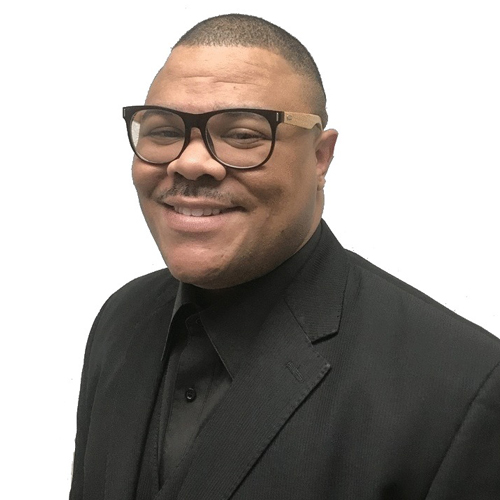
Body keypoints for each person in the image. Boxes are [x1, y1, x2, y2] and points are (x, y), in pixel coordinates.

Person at [70, 13, 500, 500]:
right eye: (164, 131)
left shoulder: (464, 389)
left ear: (320, 157)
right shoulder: (122, 319)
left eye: (242, 134)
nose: (189, 162)